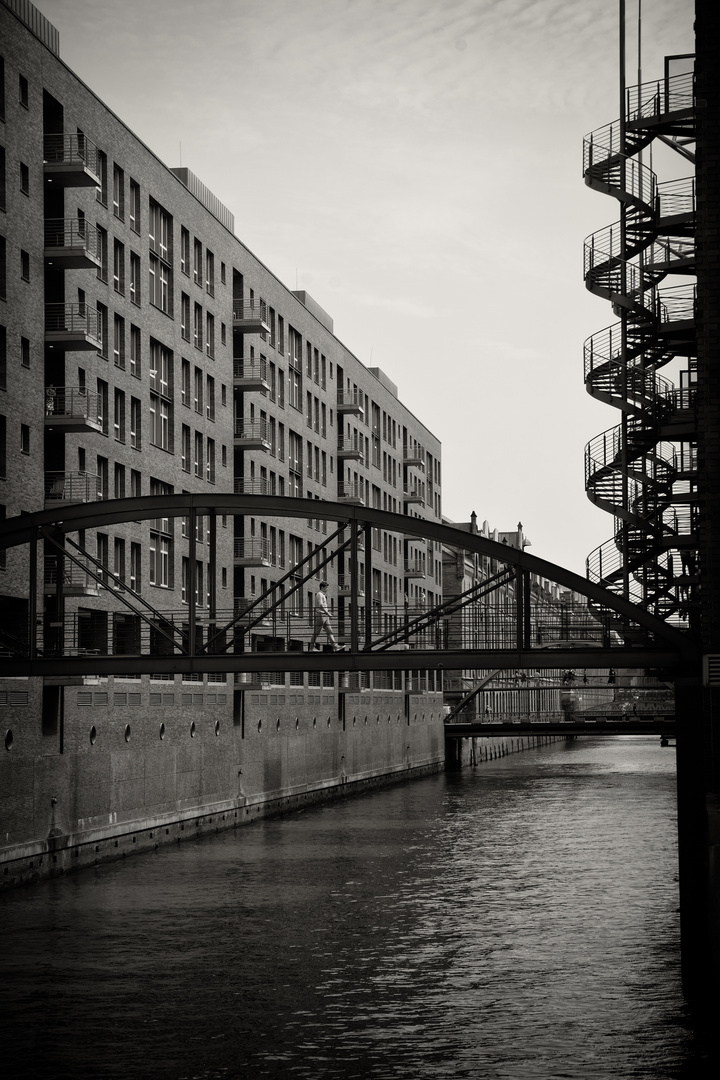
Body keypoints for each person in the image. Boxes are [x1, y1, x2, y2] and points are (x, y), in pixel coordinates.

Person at [310, 580, 344, 651]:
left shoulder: (322, 595)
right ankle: (311, 648)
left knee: (330, 631)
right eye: (326, 587)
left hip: (324, 616)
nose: (327, 589)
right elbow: (321, 605)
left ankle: (335, 646)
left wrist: (327, 613)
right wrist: (328, 613)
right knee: (317, 632)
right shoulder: (319, 594)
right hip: (321, 615)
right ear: (322, 587)